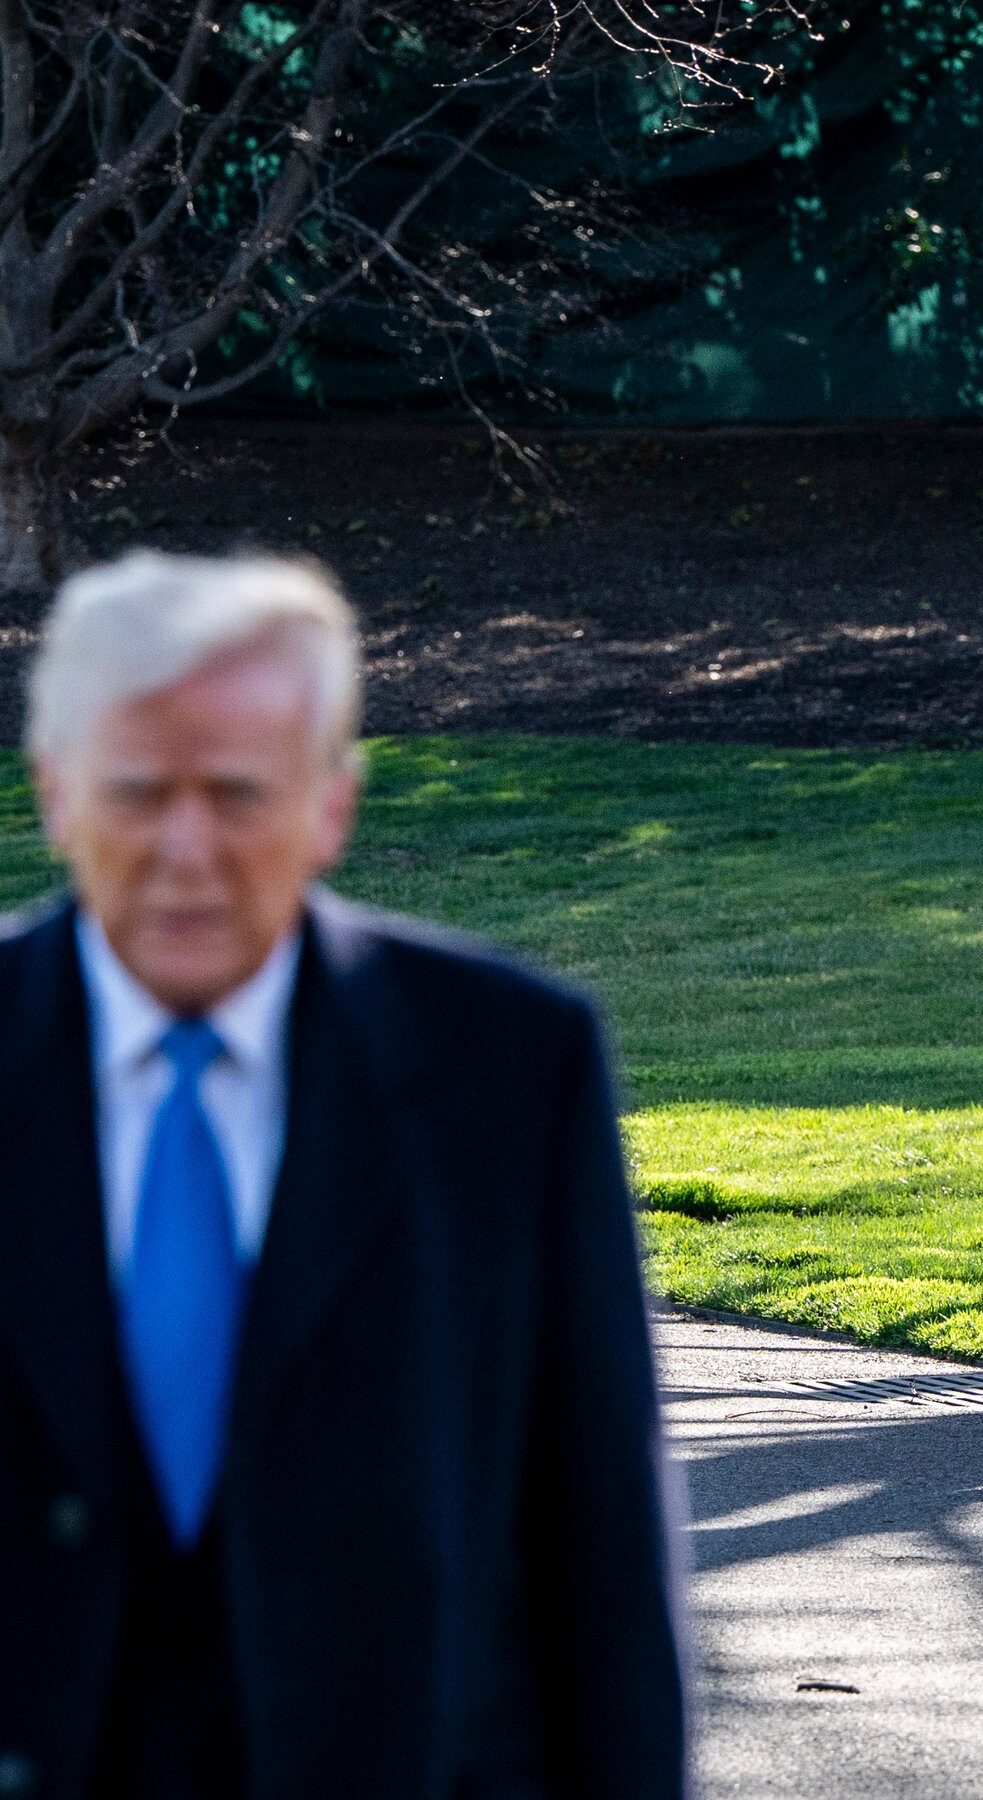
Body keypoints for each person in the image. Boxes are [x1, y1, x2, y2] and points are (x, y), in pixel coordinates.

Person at [0, 553, 687, 1799]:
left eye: (239, 795)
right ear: (54, 794)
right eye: (140, 793)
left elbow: (602, 1557)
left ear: (331, 805)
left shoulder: (512, 1070)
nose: (187, 851)